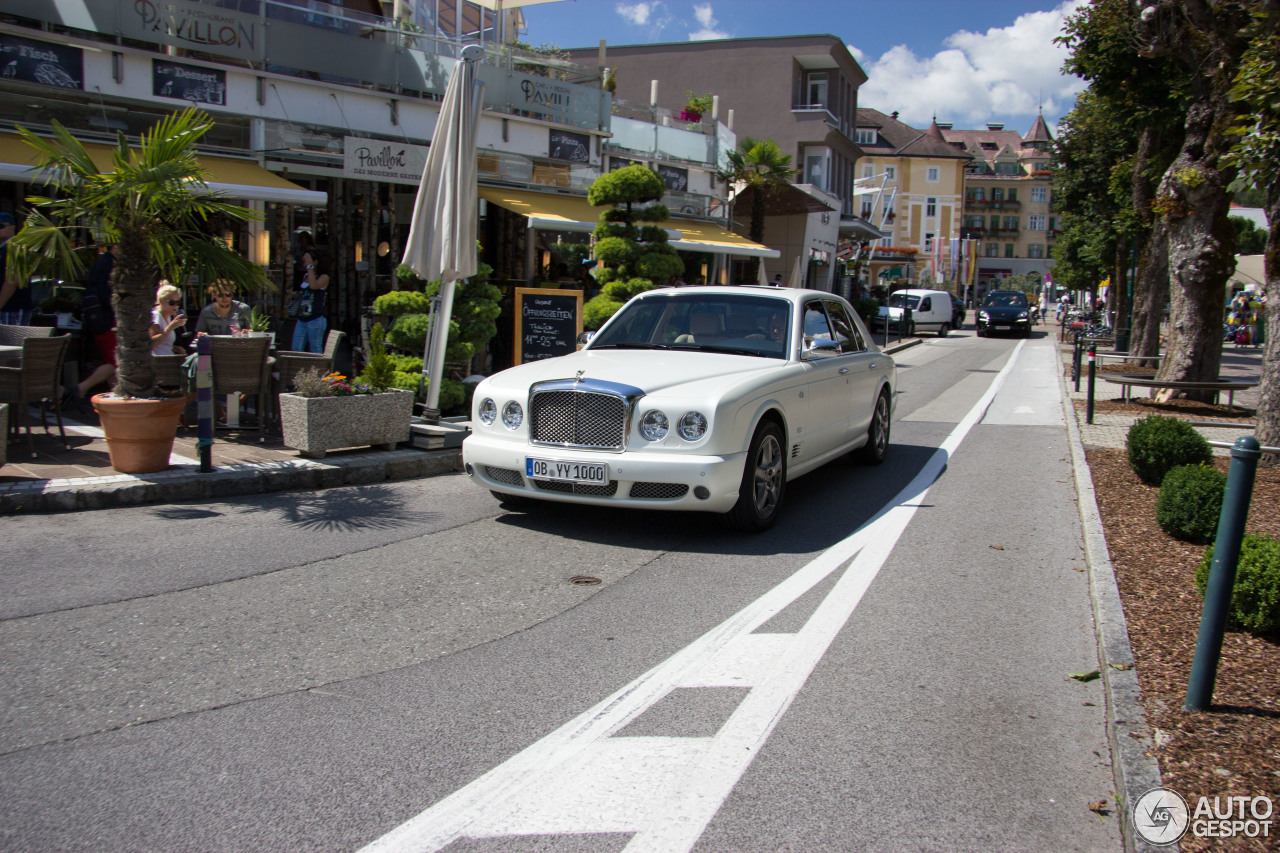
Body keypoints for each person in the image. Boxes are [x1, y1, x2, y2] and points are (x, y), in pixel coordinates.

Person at [61, 244, 119, 411]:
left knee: (115, 361)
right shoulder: (107, 265)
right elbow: (105, 295)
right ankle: (81, 388)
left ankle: (115, 396)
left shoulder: (105, 264)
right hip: (106, 320)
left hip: (102, 319)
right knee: (115, 362)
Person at [290, 249, 329, 353]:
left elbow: (314, 286)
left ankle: (319, 369)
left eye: (307, 260)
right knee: (296, 348)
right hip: (302, 317)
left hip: (315, 317)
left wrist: (310, 266)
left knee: (315, 348)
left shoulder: (324, 277)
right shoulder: (306, 276)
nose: (305, 263)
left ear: (315, 262)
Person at [0, 212, 34, 325]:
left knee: (11, 342)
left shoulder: (16, 247)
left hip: (13, 308)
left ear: (12, 227)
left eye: (1, 226)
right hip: (6, 308)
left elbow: (13, 280)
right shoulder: (3, 249)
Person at [150, 281, 187, 356]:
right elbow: (150, 344)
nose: (175, 306)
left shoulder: (168, 317)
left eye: (178, 303)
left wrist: (175, 348)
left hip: (168, 359)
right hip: (158, 361)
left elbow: (162, 345)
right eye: (171, 303)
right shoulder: (156, 316)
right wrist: (170, 327)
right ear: (161, 301)